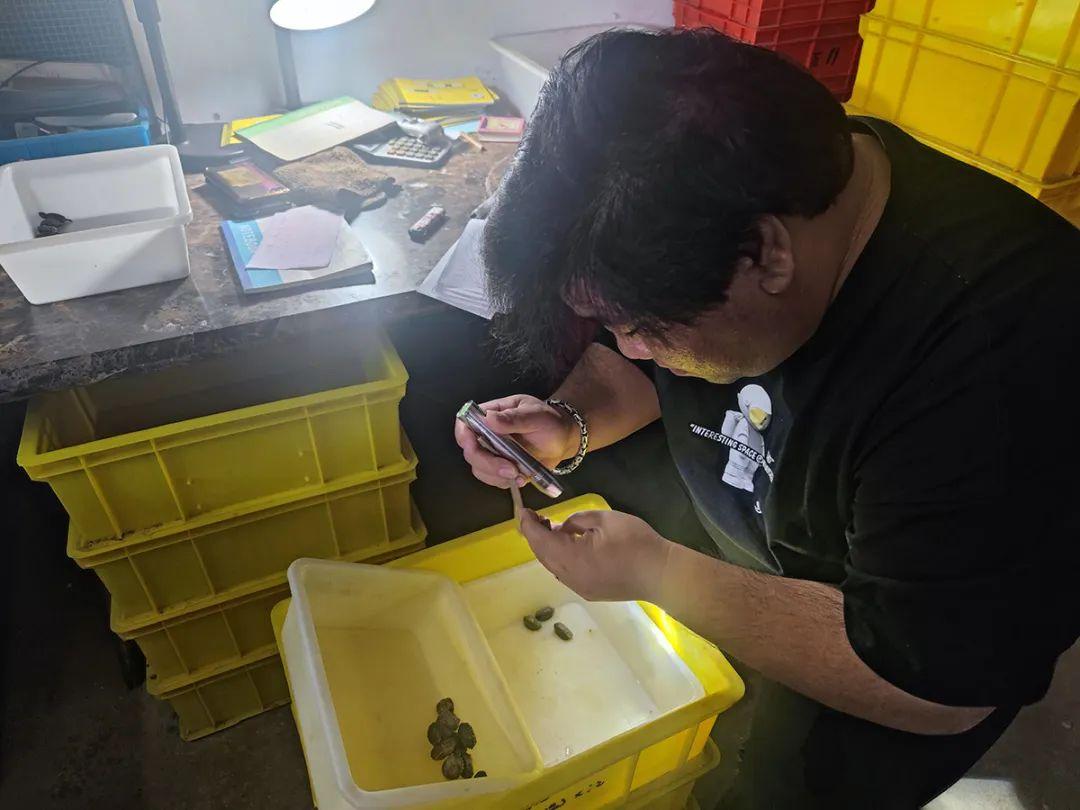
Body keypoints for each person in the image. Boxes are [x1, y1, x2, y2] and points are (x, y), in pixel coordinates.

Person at [453, 27, 1080, 810]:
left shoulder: (1000, 359)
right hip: (770, 553)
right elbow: (648, 363)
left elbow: (937, 688)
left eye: (642, 326)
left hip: (885, 660)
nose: (630, 348)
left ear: (765, 255)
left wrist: (658, 575)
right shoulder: (738, 192)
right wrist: (569, 420)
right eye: (610, 324)